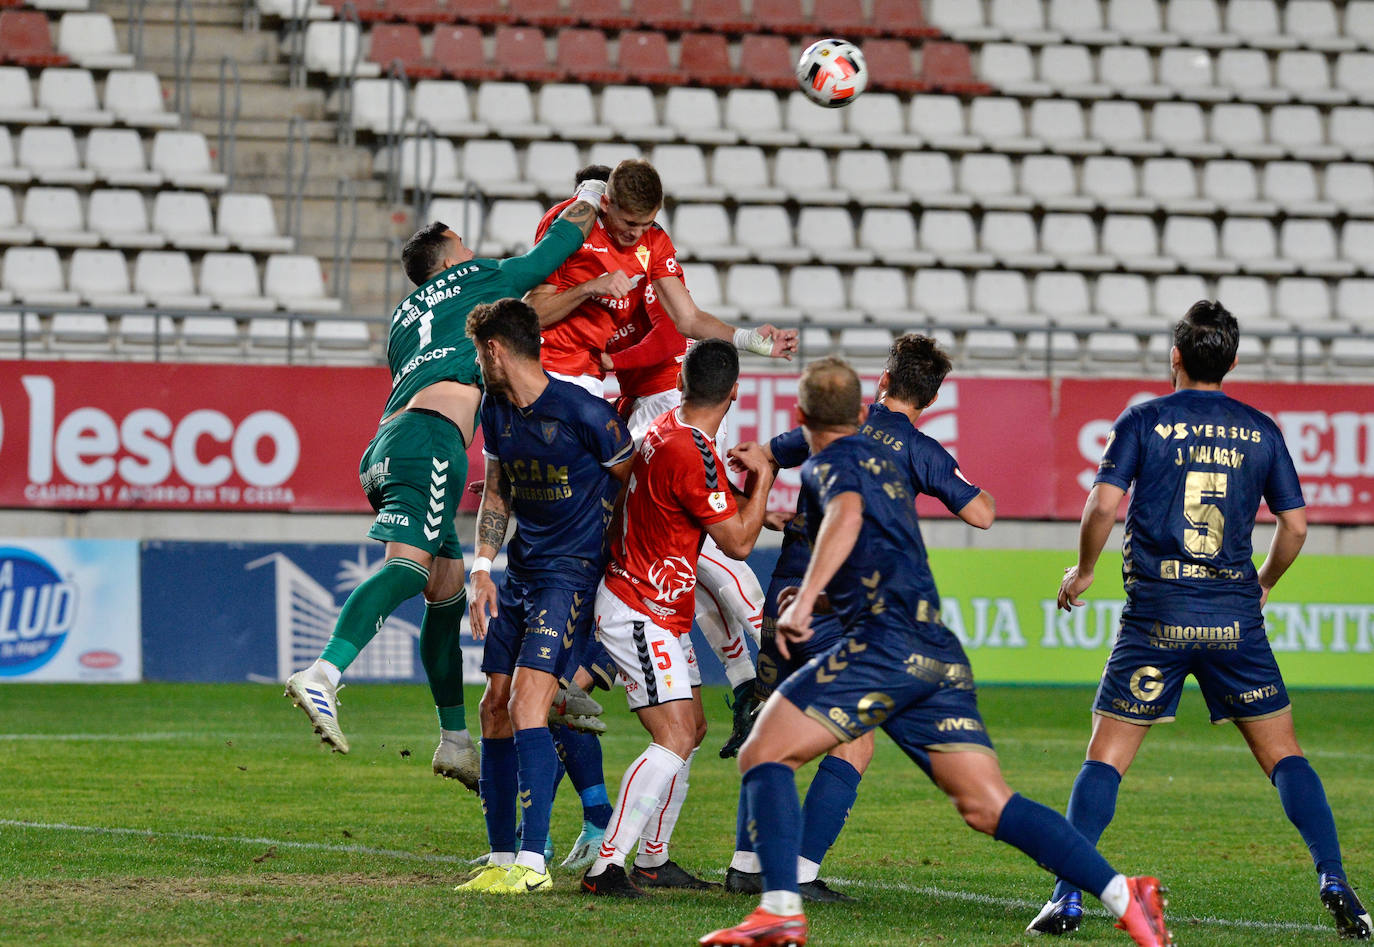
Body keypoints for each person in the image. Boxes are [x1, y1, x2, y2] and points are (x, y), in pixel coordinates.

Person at [702, 357, 1172, 947]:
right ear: (858, 410)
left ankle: (778, 909)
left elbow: (846, 515)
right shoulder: (900, 457)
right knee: (989, 805)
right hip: (936, 652)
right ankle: (1128, 897)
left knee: (765, 751)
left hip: (881, 644)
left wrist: (805, 600)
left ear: (802, 417)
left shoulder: (831, 463)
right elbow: (900, 517)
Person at [1028, 301, 1370, 940]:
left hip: (1157, 614)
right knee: (1285, 756)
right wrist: (1263, 582)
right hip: (1232, 619)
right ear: (1233, 362)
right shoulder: (1261, 429)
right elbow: (1295, 525)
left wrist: (1084, 570)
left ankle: (1068, 897)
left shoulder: (1144, 419)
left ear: (1175, 356)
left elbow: (1103, 504)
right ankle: (1335, 878)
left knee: (1105, 761)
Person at [282, 181, 607, 783]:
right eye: (461, 240)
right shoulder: (476, 278)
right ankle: (323, 674)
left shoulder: (404, 320)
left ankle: (455, 741)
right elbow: (547, 257)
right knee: (408, 571)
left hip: (389, 444)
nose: (470, 245)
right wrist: (590, 196)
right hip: (431, 439)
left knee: (447, 588)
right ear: (449, 255)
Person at [724, 334, 994, 903]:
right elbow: (983, 514)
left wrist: (778, 514)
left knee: (773, 728)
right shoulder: (920, 448)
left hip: (784, 594)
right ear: (929, 398)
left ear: (883, 383)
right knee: (855, 742)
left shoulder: (833, 428)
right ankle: (797, 873)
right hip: (833, 607)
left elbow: (761, 454)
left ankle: (747, 864)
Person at [534, 160, 780, 756]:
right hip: (613, 399)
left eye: (644, 225)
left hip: (667, 404)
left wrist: (750, 340)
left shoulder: (650, 251)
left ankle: (772, 650)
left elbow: (683, 327)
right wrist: (606, 351)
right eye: (625, 223)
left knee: (690, 540)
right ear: (604, 202)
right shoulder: (572, 233)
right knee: (662, 545)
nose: (632, 234)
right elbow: (536, 304)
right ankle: (749, 676)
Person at [581, 338, 775, 897]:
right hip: (640, 608)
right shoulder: (691, 451)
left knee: (691, 729)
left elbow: (683, 503)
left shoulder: (662, 427)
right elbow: (737, 543)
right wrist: (762, 479)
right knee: (672, 734)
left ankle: (653, 858)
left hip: (655, 605)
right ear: (735, 392)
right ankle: (607, 865)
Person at [453, 297, 634, 895]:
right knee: (493, 705)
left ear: (496, 351)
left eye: (480, 353)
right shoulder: (497, 411)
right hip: (523, 573)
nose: (478, 362)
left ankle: (534, 863)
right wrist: (483, 566)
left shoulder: (587, 412)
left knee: (531, 704)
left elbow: (630, 483)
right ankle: (503, 855)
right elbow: (499, 493)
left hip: (572, 577)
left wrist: (615, 563)